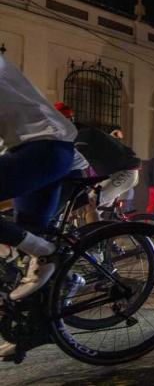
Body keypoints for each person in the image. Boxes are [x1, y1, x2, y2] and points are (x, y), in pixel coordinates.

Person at [0, 55, 77, 306]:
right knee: (30, 244)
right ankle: (28, 331)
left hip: (42, 148)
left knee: (36, 247)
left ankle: (47, 252)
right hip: (39, 150)